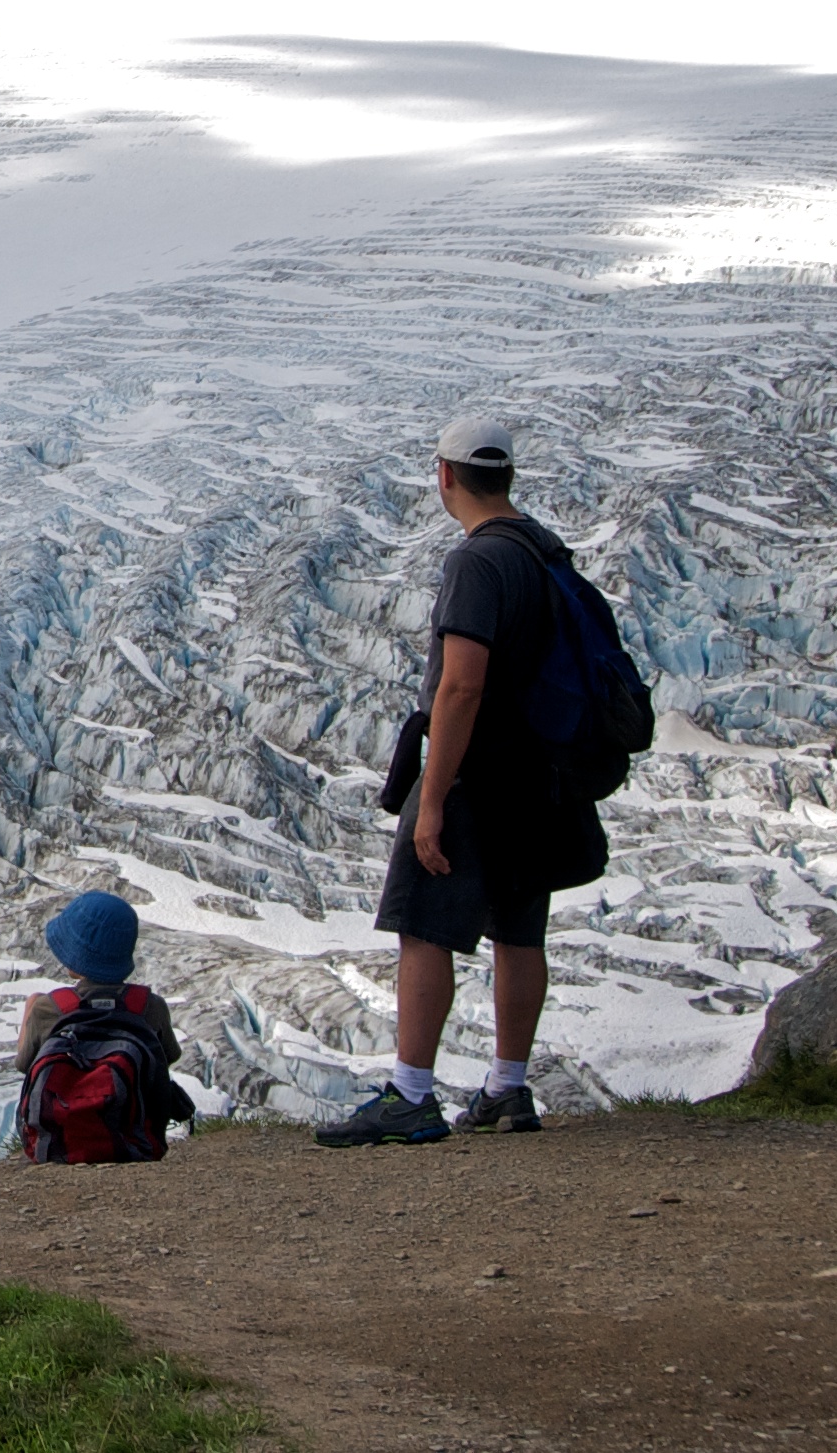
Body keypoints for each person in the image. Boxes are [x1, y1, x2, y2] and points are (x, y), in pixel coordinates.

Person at [314, 413, 590, 1146]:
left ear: (444, 475)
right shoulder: (541, 551)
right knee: (517, 928)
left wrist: (431, 795)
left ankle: (409, 1093)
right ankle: (507, 1086)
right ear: (507, 474)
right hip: (539, 776)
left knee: (423, 923)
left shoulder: (476, 562)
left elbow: (460, 686)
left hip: (477, 773)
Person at [14, 891, 195, 1161]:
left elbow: (23, 1064)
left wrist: (31, 1010)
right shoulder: (149, 1005)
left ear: (75, 956)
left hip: (57, 1147)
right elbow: (168, 1057)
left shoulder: (49, 1008)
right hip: (136, 1145)